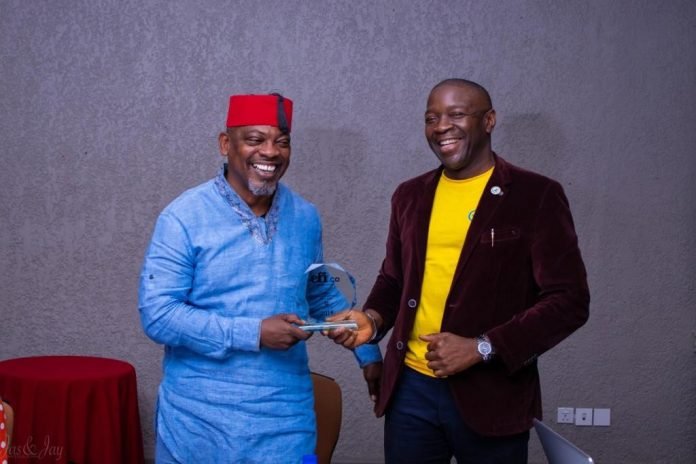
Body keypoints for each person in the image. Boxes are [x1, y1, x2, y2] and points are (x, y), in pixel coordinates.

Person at [328, 78, 590, 463]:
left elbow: (569, 301)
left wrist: (483, 347)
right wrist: (372, 319)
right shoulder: (409, 195)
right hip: (410, 391)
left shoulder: (535, 195)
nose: (441, 127)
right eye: (431, 118)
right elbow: (394, 279)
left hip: (493, 395)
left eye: (456, 114)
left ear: (489, 120)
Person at [138, 93, 381, 463]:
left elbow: (318, 294)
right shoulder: (184, 217)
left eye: (282, 142)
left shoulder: (306, 216)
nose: (270, 152)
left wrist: (368, 353)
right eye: (255, 139)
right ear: (226, 144)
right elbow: (158, 314)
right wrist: (253, 332)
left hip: (286, 422)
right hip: (198, 423)